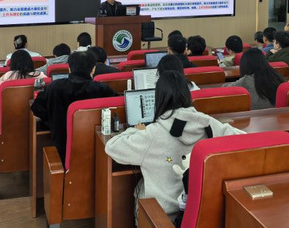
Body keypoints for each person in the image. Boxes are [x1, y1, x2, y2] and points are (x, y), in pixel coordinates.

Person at [104, 71, 244, 220]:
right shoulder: (208, 123)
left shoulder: (152, 134)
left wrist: (135, 130)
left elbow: (112, 147)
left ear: (159, 99)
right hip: (199, 213)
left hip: (161, 215)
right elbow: (243, 139)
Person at [31, 51, 118, 162]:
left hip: (62, 150)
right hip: (98, 151)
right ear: (93, 69)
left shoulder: (54, 87)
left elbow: (37, 109)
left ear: (69, 69)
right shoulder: (102, 88)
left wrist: (53, 117)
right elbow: (118, 108)